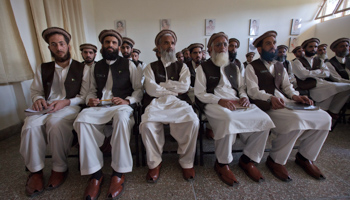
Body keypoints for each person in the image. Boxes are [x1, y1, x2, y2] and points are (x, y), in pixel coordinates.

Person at [245, 31, 331, 182]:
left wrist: (296, 96)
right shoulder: (252, 67)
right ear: (259, 49)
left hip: (286, 102)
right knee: (295, 121)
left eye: (274, 43)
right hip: (267, 105)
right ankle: (276, 160)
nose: (273, 47)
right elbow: (252, 91)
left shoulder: (280, 66)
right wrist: (270, 97)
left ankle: (305, 157)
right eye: (268, 43)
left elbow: (287, 87)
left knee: (325, 118)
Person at [194, 32, 275, 185]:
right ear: (210, 49)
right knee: (227, 119)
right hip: (213, 102)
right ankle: (222, 163)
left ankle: (247, 159)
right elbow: (199, 93)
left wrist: (244, 96)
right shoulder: (202, 68)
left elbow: (242, 88)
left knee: (264, 120)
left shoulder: (235, 67)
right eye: (218, 44)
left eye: (225, 44)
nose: (223, 47)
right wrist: (219, 100)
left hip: (236, 101)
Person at [20, 27, 90, 197]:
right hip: (46, 107)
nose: (58, 48)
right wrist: (38, 99)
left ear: (68, 46)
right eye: (54, 45)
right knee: (30, 125)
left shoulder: (83, 68)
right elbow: (36, 90)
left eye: (61, 44)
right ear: (49, 48)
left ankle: (59, 167)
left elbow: (84, 95)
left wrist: (66, 101)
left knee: (55, 124)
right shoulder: (43, 68)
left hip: (69, 106)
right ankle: (35, 171)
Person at [73, 29, 142, 200]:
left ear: (118, 47)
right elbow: (89, 91)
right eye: (107, 42)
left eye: (113, 43)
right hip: (100, 106)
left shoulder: (129, 65)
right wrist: (90, 100)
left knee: (121, 119)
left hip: (120, 106)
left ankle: (118, 172)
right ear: (102, 46)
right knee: (81, 120)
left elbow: (139, 89)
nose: (110, 45)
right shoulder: (95, 67)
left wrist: (128, 101)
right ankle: (95, 174)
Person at [140, 30, 199, 183]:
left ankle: (186, 162)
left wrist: (164, 86)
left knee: (193, 121)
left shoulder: (183, 67)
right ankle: (154, 162)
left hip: (178, 102)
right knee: (146, 124)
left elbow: (185, 87)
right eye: (166, 43)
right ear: (158, 47)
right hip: (156, 102)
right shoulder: (150, 67)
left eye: (172, 43)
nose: (170, 46)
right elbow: (151, 89)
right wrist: (172, 87)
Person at [292, 38, 350, 119]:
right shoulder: (297, 62)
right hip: (307, 85)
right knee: (333, 87)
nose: (313, 49)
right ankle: (323, 111)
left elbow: (327, 73)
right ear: (304, 49)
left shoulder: (319, 60)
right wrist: (319, 71)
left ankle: (333, 110)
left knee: (347, 87)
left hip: (321, 83)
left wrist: (311, 73)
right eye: (310, 47)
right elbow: (303, 75)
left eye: (315, 47)